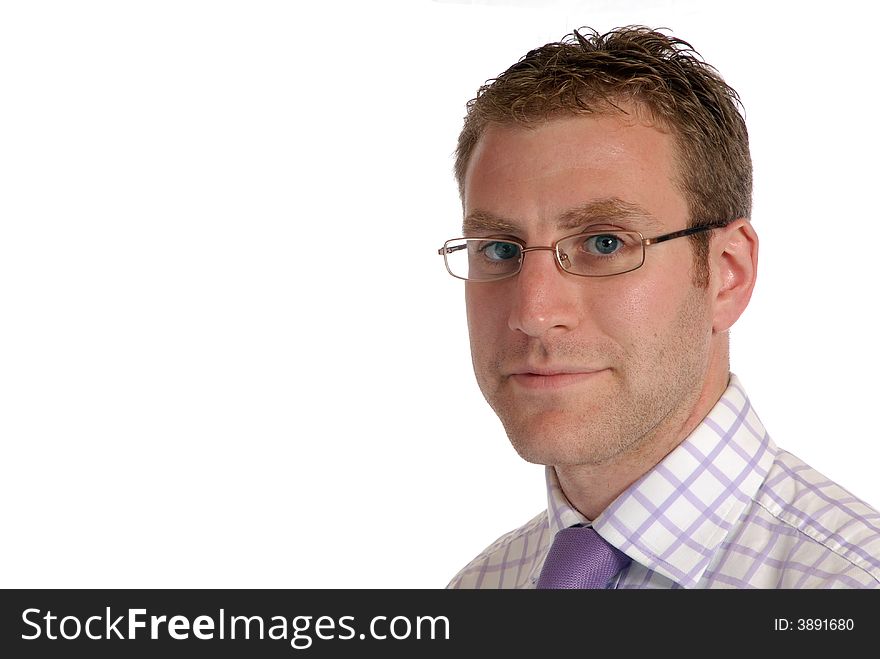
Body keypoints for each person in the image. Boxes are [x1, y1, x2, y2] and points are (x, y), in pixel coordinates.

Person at [439, 26, 880, 589]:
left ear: (727, 273)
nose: (534, 310)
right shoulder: (482, 587)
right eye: (499, 250)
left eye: (605, 243)